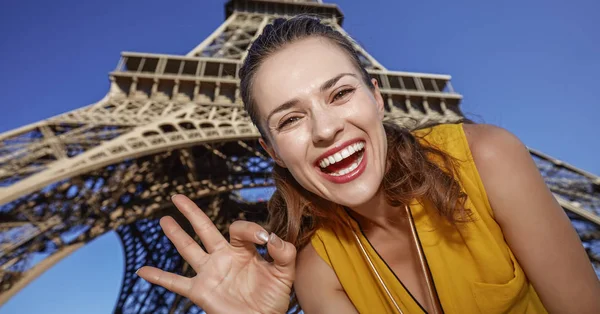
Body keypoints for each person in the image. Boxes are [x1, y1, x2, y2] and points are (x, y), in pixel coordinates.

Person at [135, 16, 600, 313]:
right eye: (291, 118)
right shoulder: (320, 270)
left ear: (376, 96)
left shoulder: (487, 159)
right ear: (271, 150)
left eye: (340, 93)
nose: (324, 129)